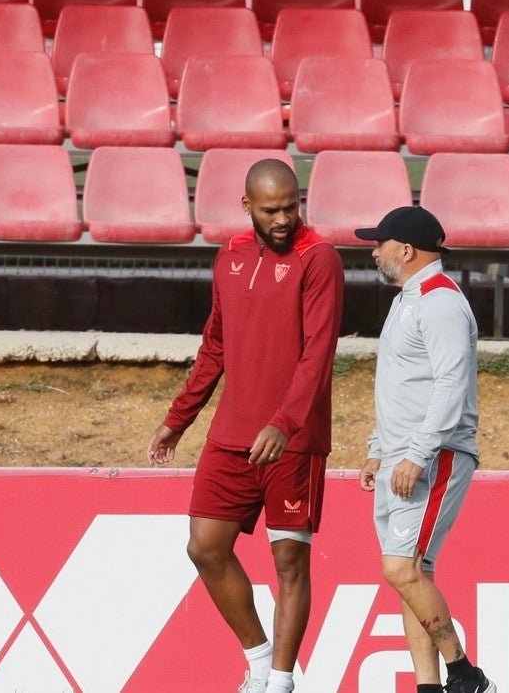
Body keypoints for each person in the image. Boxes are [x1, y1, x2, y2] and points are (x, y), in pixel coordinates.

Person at [146, 159, 344, 693]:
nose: (283, 219)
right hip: (232, 434)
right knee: (204, 547)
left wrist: (285, 423)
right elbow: (215, 345)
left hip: (293, 440)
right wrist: (178, 419)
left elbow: (318, 353)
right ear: (246, 206)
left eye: (290, 207)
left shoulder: (319, 258)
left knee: (289, 561)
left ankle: (279, 682)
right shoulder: (229, 255)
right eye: (271, 210)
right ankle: (258, 662)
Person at [356, 206, 497, 693]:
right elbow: (402, 383)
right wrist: (379, 448)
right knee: (411, 576)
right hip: (404, 455)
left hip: (434, 456)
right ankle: (428, 687)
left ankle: (466, 674)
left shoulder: (440, 302)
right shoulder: (409, 299)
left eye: (379, 244)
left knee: (401, 568)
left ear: (406, 250)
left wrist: (416, 454)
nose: (374, 252)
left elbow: (449, 385)